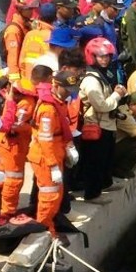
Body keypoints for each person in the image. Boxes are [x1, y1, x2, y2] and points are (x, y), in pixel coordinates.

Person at [28, 70, 79, 236]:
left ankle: (49, 227)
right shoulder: (48, 110)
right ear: (56, 86)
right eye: (66, 89)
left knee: (57, 194)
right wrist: (52, 166)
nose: (69, 93)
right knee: (49, 196)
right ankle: (43, 230)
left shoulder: (59, 103)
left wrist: (68, 147)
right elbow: (45, 140)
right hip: (45, 157)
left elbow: (61, 131)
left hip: (56, 153)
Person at [80, 37, 128, 204]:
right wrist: (117, 94)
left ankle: (105, 183)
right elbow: (101, 105)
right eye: (101, 56)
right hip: (97, 126)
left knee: (106, 159)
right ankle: (92, 194)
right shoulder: (91, 80)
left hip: (107, 124)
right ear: (92, 56)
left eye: (107, 56)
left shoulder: (103, 75)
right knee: (95, 162)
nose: (105, 59)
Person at [0, 80, 36, 217]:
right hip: (13, 146)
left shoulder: (7, 97)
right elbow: (14, 126)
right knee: (14, 179)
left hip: (3, 142)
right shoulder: (26, 102)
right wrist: (33, 128)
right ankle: (7, 212)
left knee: (1, 176)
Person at [3, 0, 38, 82]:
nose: (32, 11)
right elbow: (12, 57)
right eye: (29, 9)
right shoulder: (13, 31)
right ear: (20, 9)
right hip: (19, 72)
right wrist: (15, 81)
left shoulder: (26, 24)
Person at [18, 2, 56, 84]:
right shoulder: (53, 37)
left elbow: (21, 61)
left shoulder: (29, 34)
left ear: (39, 16)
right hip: (43, 85)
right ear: (55, 18)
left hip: (27, 80)